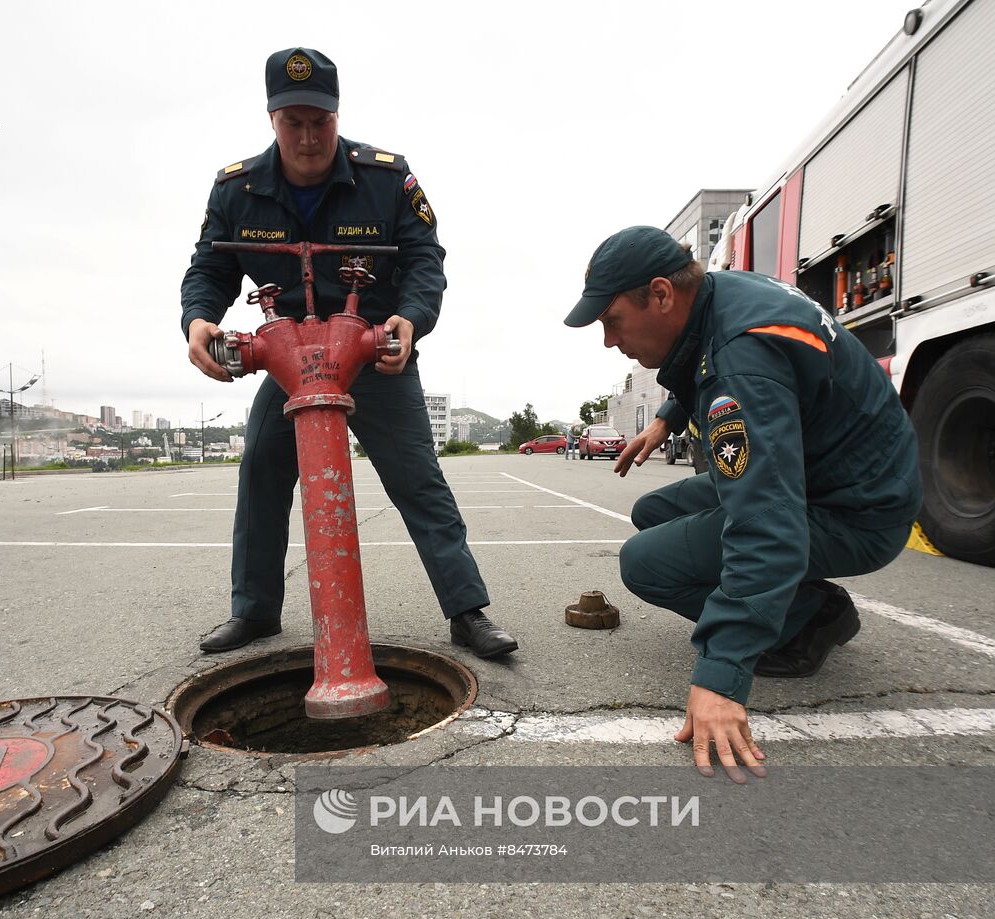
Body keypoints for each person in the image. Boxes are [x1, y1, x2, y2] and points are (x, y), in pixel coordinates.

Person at [180, 46, 516, 660]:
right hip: (292, 360)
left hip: (373, 355)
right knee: (259, 466)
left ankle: (468, 612)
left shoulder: (386, 179)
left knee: (418, 480)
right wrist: (198, 319)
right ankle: (253, 611)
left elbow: (423, 261)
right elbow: (210, 266)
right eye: (293, 123)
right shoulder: (236, 190)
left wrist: (410, 322)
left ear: (338, 116)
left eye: (320, 122)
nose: (308, 138)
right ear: (271, 120)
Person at [564, 226, 921, 780]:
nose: (609, 341)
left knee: (644, 563)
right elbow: (701, 355)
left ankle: (810, 618)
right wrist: (667, 418)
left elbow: (766, 524)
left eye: (611, 321)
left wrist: (721, 675)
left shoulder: (741, 363)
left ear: (660, 295)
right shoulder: (723, 294)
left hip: (858, 510)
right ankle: (792, 597)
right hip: (835, 475)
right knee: (653, 513)